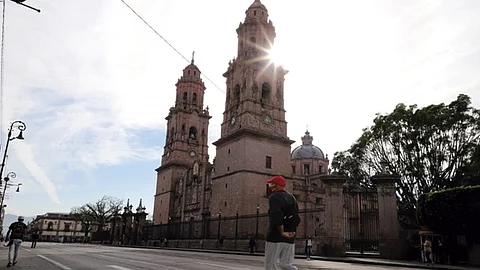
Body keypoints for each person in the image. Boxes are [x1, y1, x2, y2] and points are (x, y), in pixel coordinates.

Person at [264, 175, 301, 270]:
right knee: (287, 265)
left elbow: (276, 215)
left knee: (270, 266)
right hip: (290, 238)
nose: (270, 186)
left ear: (276, 185)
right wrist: (292, 231)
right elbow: (296, 216)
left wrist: (282, 232)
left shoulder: (274, 197)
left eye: (272, 184)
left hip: (275, 236)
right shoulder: (292, 198)